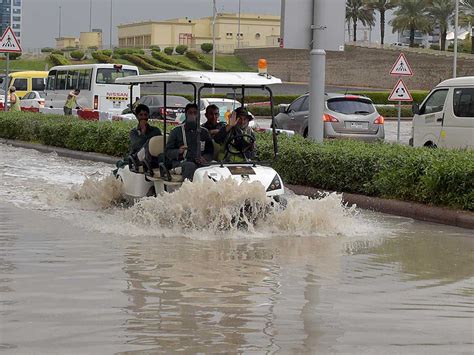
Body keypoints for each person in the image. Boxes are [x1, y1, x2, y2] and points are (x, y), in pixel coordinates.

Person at [165, 103, 214, 181]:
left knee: (216, 166)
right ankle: (189, 189)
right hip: (181, 162)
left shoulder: (204, 132)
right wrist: (179, 151)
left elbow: (210, 151)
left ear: (198, 115)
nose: (192, 115)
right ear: (186, 114)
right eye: (190, 113)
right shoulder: (176, 131)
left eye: (195, 113)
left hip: (199, 162)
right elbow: (168, 152)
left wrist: (204, 158)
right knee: (190, 166)